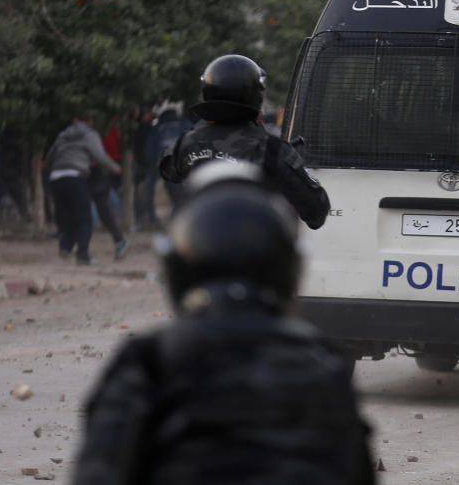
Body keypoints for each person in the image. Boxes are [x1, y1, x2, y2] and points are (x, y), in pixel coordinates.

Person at [72, 162, 373, 485]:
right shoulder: (322, 363)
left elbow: (99, 470)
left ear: (177, 269)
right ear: (288, 268)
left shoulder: (147, 362)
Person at [160, 54, 329, 229]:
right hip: (251, 246)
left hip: (196, 243)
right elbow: (316, 211)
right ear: (256, 95)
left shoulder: (186, 142)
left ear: (207, 91)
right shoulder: (272, 149)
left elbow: (169, 172)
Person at [44, 115, 121, 265]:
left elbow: (49, 157)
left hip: (56, 178)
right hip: (75, 176)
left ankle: (65, 247)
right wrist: (115, 168)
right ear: (90, 122)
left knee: (68, 215)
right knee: (84, 218)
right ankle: (82, 255)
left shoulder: (62, 135)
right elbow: (100, 156)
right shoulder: (90, 135)